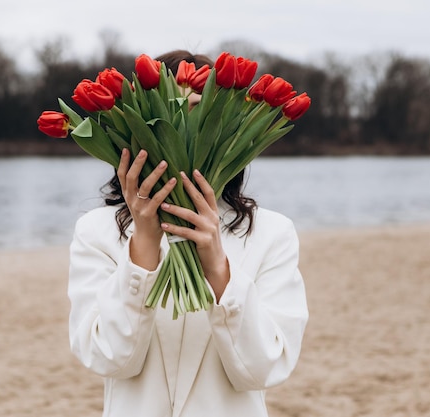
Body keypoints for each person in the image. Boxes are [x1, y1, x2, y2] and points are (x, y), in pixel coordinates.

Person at [67, 50, 309, 417]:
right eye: (168, 112)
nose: (184, 127)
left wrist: (219, 270)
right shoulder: (97, 232)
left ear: (227, 124)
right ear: (140, 123)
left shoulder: (270, 233)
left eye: (200, 110)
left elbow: (264, 368)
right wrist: (143, 250)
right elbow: (108, 359)